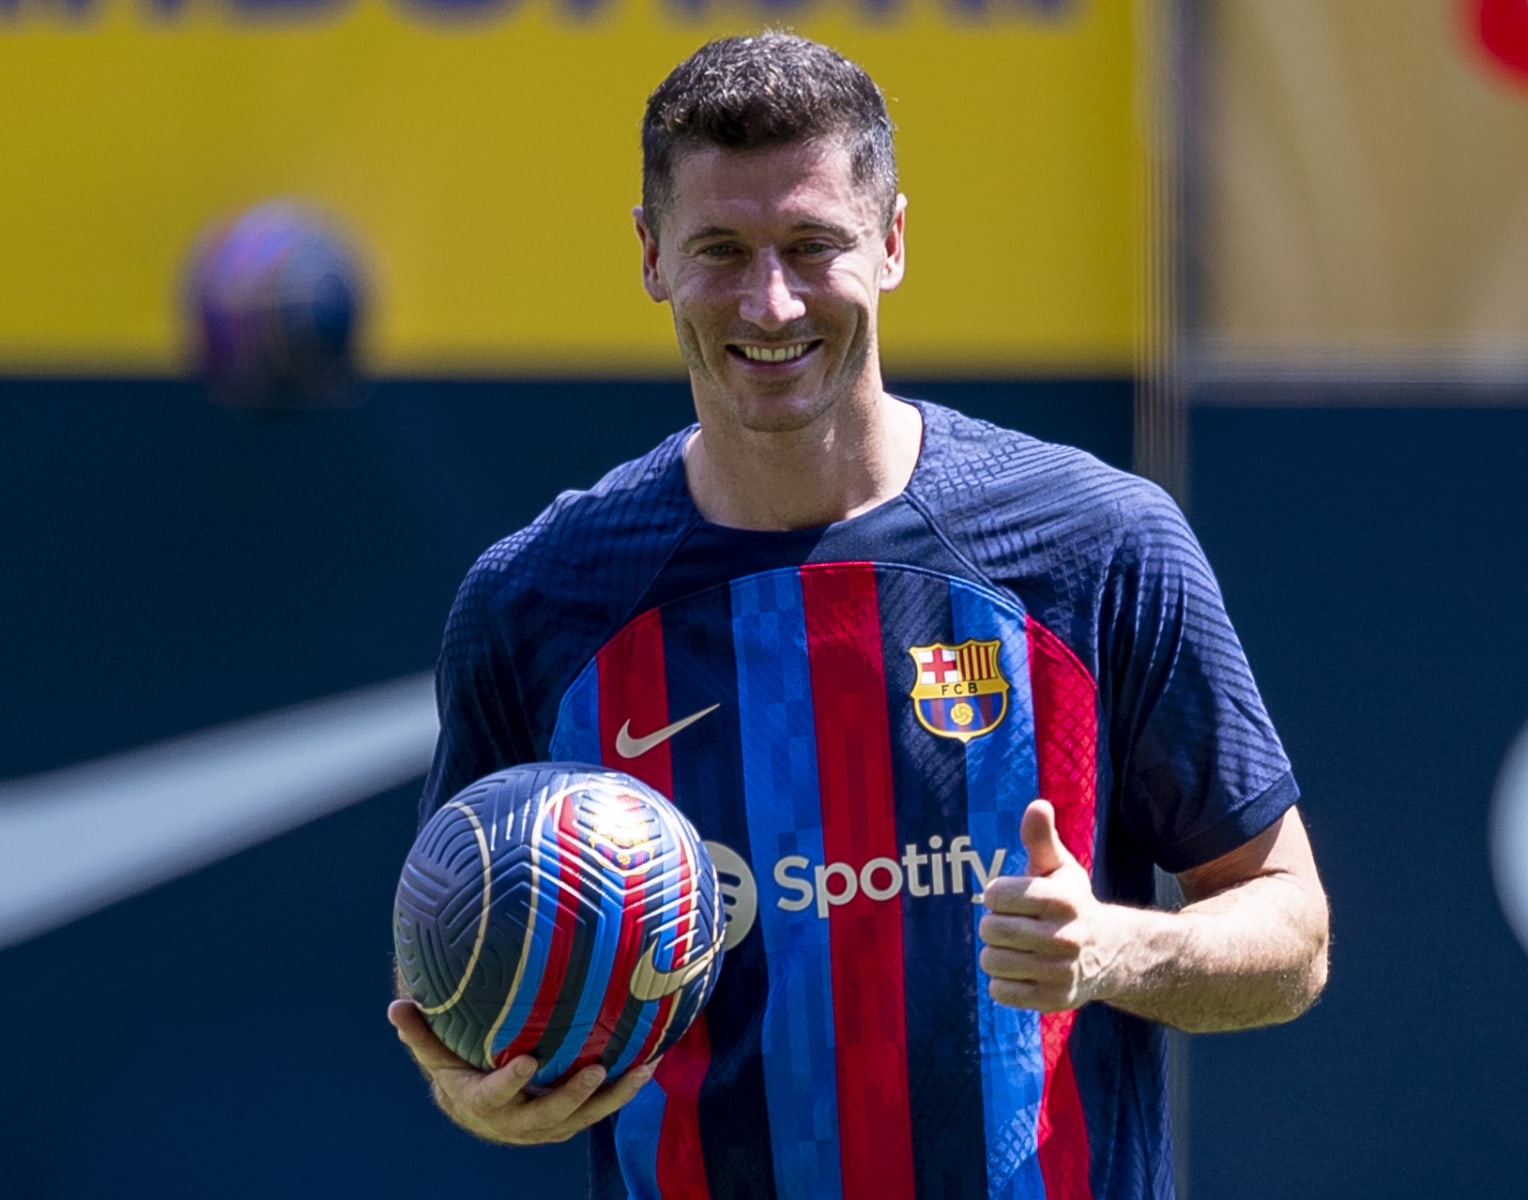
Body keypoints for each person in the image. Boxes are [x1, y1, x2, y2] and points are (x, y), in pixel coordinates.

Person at [389, 30, 1329, 1200]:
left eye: (812, 246)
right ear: (648, 255)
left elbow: (1291, 932)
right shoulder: (537, 600)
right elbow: (473, 972)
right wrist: (484, 1088)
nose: (770, 300)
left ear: (890, 244)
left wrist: (1118, 949)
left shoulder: (1097, 546)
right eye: (721, 250)